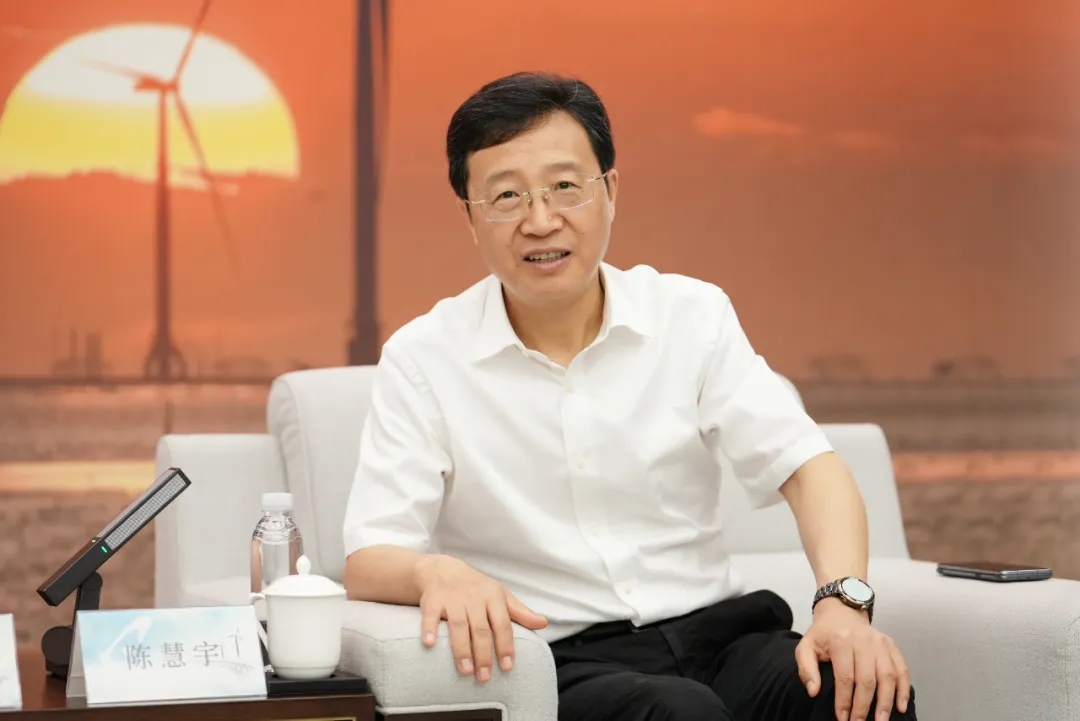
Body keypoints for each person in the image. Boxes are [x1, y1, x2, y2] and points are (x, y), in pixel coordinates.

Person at [342, 71, 916, 721]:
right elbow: (369, 556)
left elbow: (810, 469)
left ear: (610, 191)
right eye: (506, 196)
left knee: (858, 690)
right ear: (470, 217)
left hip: (722, 637)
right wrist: (433, 572)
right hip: (565, 662)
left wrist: (843, 603)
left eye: (565, 187)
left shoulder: (691, 315)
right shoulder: (424, 357)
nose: (540, 220)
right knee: (678, 713)